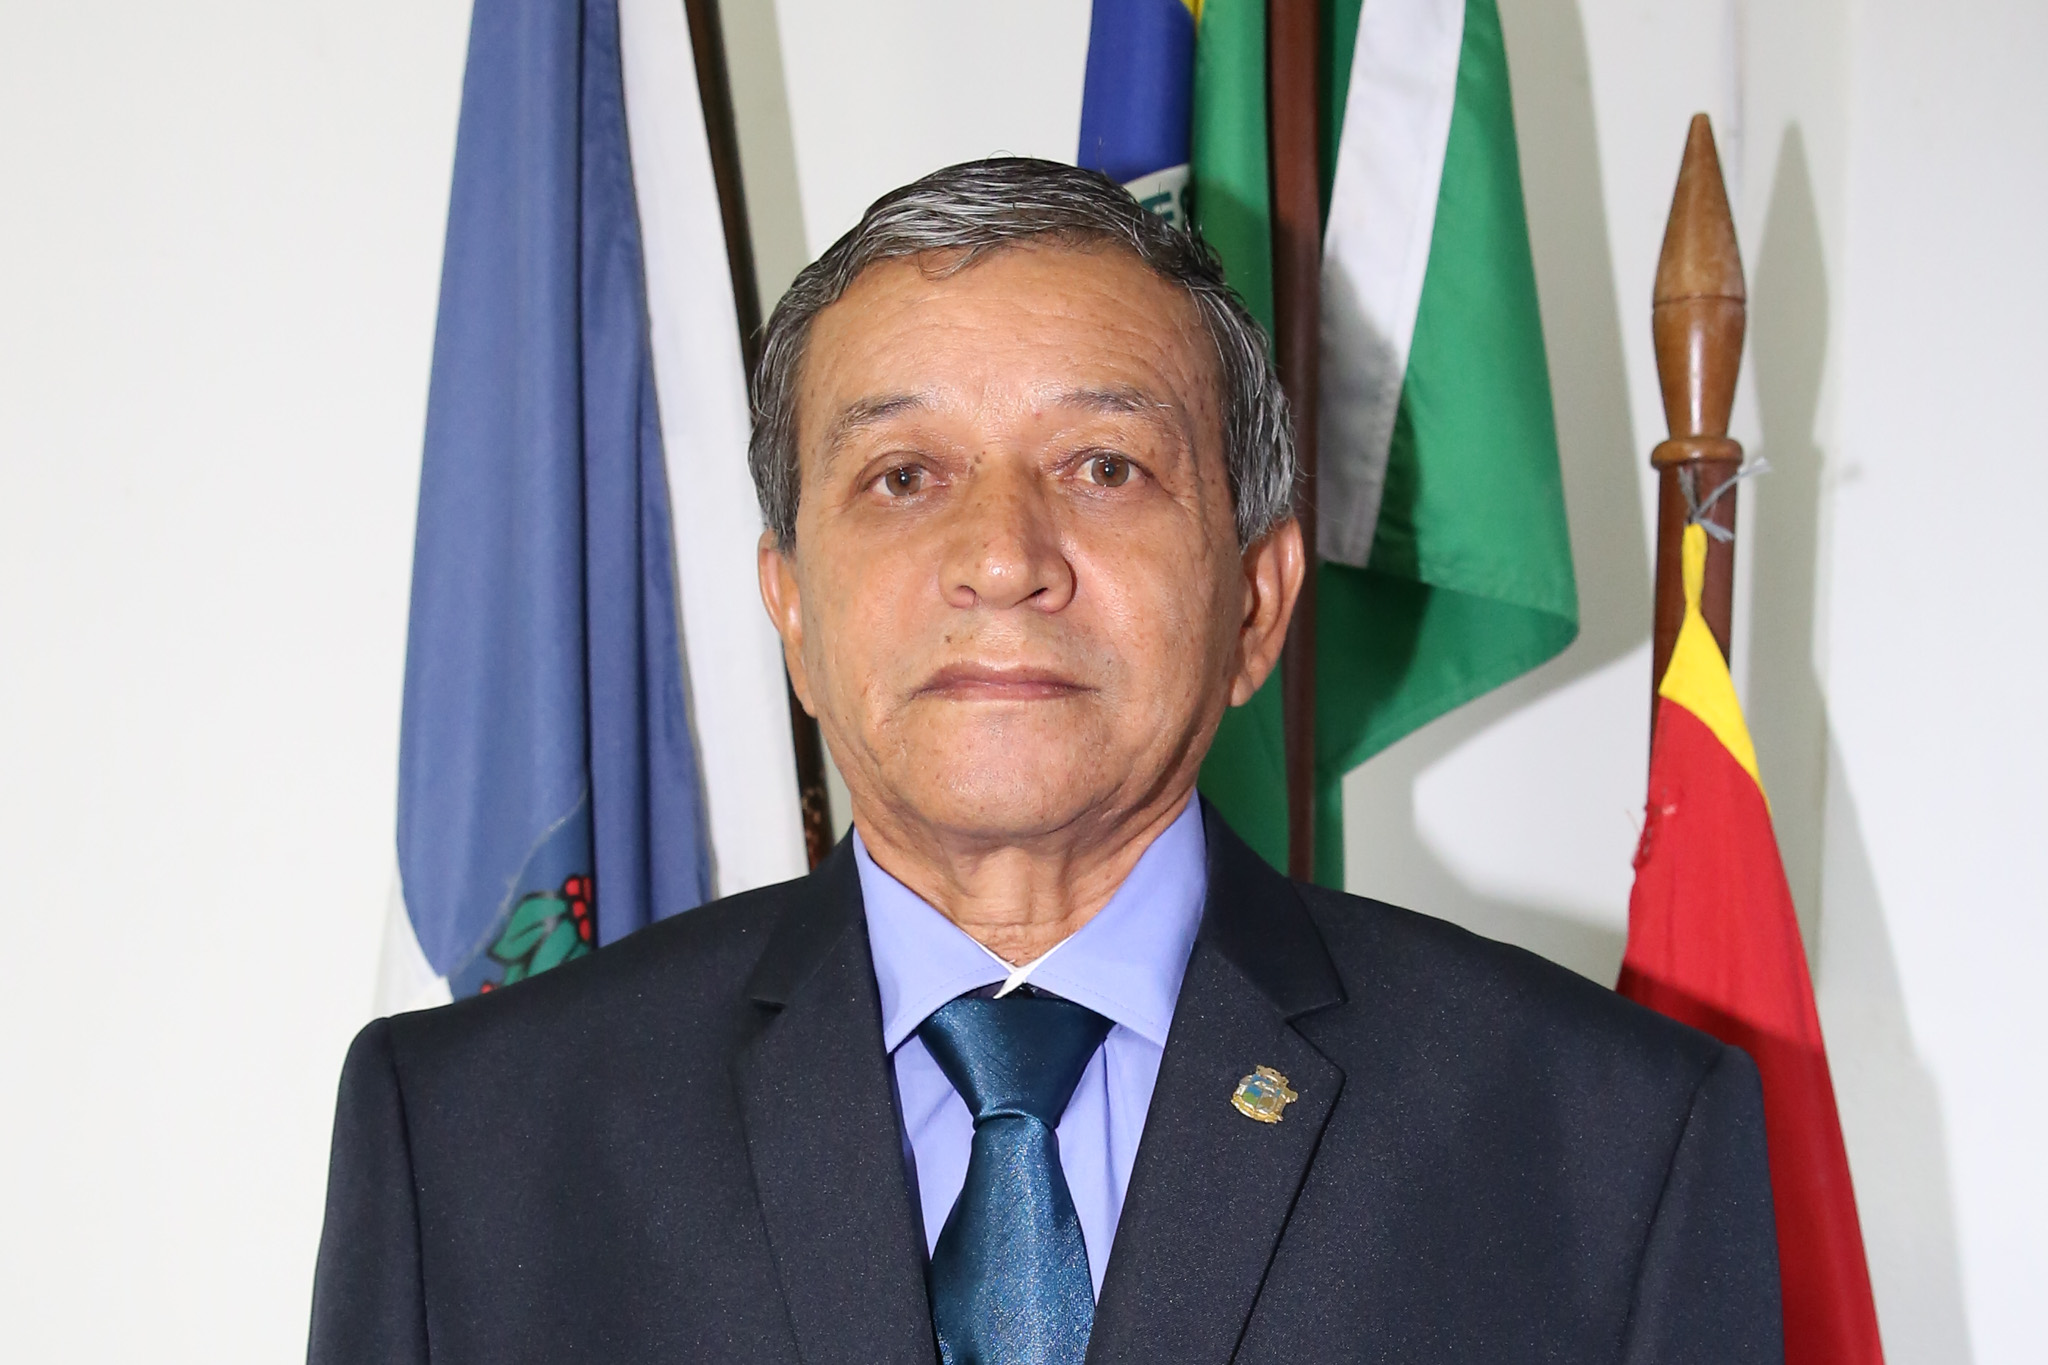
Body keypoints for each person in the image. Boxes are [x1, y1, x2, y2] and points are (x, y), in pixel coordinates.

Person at [308, 157, 1782, 1364]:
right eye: (904, 477)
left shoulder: (1605, 1144)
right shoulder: (473, 1145)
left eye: (1105, 467)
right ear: (793, 609)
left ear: (1256, 602)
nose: (1004, 556)